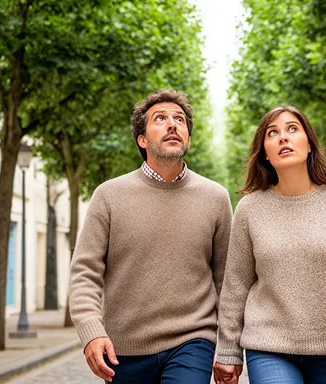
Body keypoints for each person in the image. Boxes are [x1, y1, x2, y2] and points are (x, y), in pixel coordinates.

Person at [68, 89, 233, 383]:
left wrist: (229, 348)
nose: (173, 124)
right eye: (161, 119)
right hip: (124, 349)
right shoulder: (108, 196)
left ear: (188, 138)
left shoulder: (216, 198)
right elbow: (84, 273)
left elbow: (226, 280)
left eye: (179, 120)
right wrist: (91, 331)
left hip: (193, 339)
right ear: (142, 139)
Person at [213, 106, 326, 384]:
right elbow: (236, 286)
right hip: (267, 346)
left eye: (292, 129)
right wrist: (228, 352)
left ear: (310, 144)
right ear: (265, 152)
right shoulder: (250, 208)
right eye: (272, 133)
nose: (283, 138)